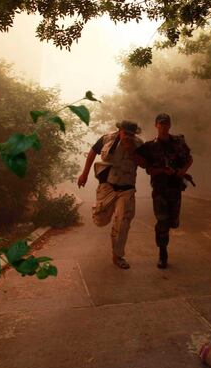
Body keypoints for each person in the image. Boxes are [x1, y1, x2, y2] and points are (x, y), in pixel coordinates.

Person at [77, 120, 145, 269]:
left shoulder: (139, 143)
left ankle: (118, 255)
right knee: (100, 220)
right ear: (120, 130)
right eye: (125, 133)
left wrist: (131, 151)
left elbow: (144, 164)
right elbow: (93, 152)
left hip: (127, 187)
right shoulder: (107, 138)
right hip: (107, 185)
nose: (128, 136)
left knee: (123, 222)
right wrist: (84, 174)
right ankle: (102, 209)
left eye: (131, 134)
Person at [137, 113, 193, 269]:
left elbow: (189, 158)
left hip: (175, 187)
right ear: (156, 125)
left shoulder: (178, 142)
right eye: (161, 124)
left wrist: (182, 171)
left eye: (166, 123)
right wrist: (152, 168)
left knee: (172, 222)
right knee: (162, 220)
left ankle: (166, 234)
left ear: (170, 125)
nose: (163, 126)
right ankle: (163, 253)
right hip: (160, 188)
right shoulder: (150, 146)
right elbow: (136, 156)